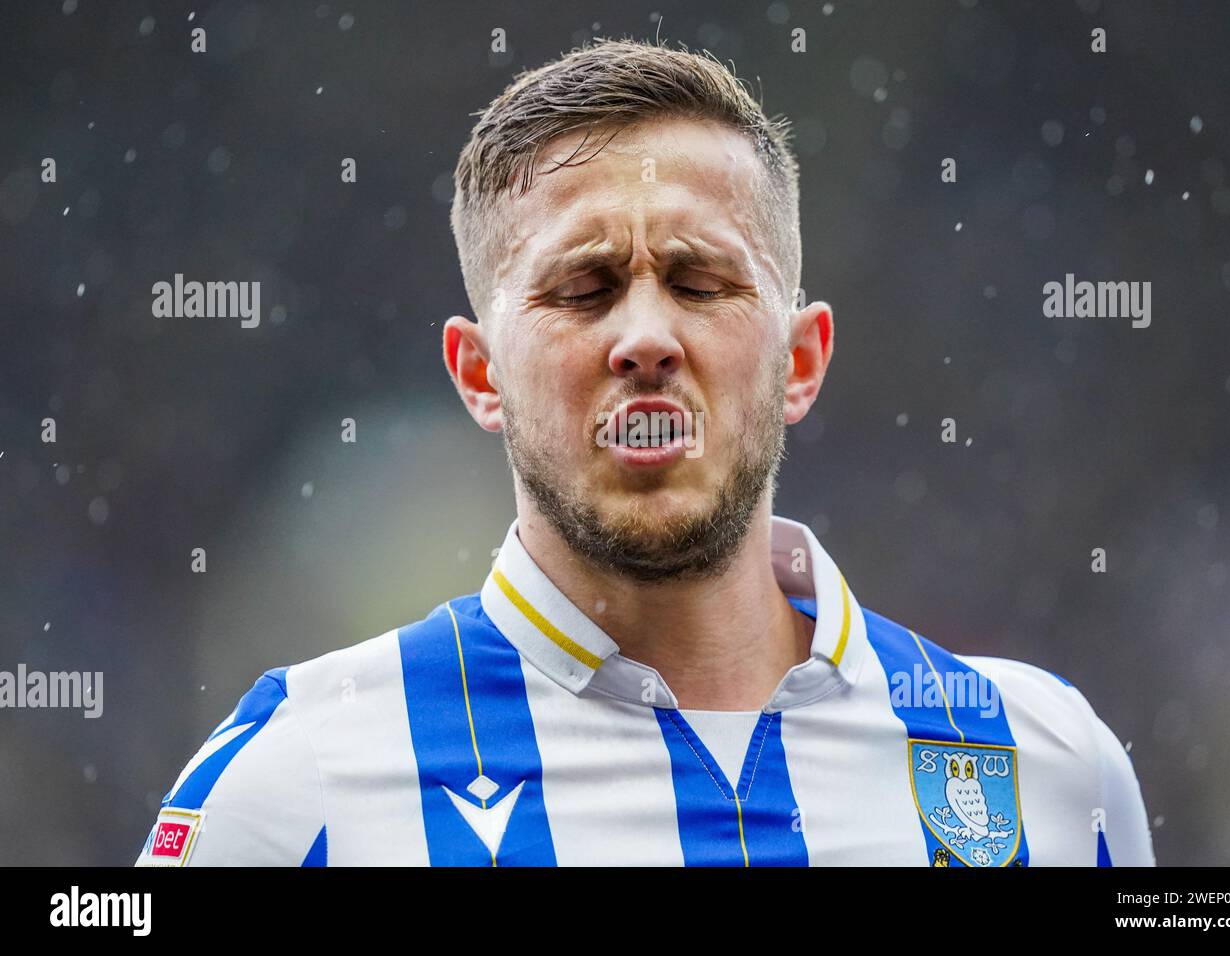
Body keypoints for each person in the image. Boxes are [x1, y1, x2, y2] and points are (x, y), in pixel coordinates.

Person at [136, 38, 1155, 867]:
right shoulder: (298, 779)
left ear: (800, 361)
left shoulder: (1040, 760)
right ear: (479, 373)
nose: (646, 337)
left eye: (701, 280)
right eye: (582, 288)